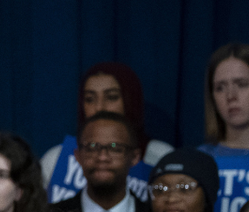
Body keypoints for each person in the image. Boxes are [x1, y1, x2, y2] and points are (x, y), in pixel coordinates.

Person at [39, 62, 173, 186]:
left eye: (111, 97)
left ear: (131, 101)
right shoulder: (56, 160)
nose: (99, 107)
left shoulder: (160, 156)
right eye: (90, 99)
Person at [49, 112, 163, 212]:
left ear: (134, 157)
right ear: (78, 156)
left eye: (115, 147)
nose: (102, 157)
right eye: (92, 147)